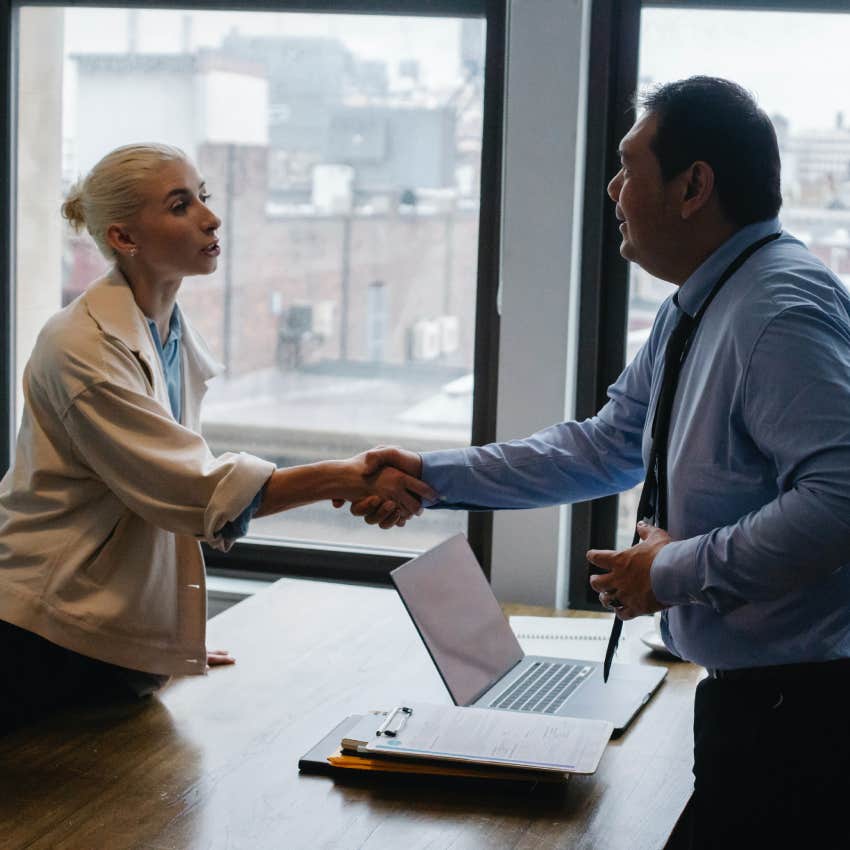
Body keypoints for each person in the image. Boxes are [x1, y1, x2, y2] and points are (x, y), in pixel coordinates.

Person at [346, 77, 850, 848]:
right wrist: (430, 475)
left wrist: (669, 570)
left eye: (627, 167)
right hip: (758, 701)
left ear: (693, 187)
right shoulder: (703, 303)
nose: (613, 190)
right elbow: (605, 446)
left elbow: (839, 501)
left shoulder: (778, 310)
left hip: (800, 716)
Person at [0, 143, 434, 731]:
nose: (211, 218)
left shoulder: (165, 331)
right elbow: (189, 490)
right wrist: (345, 477)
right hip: (41, 632)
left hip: (97, 631)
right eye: (180, 205)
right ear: (124, 237)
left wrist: (163, 636)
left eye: (203, 196)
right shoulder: (83, 348)